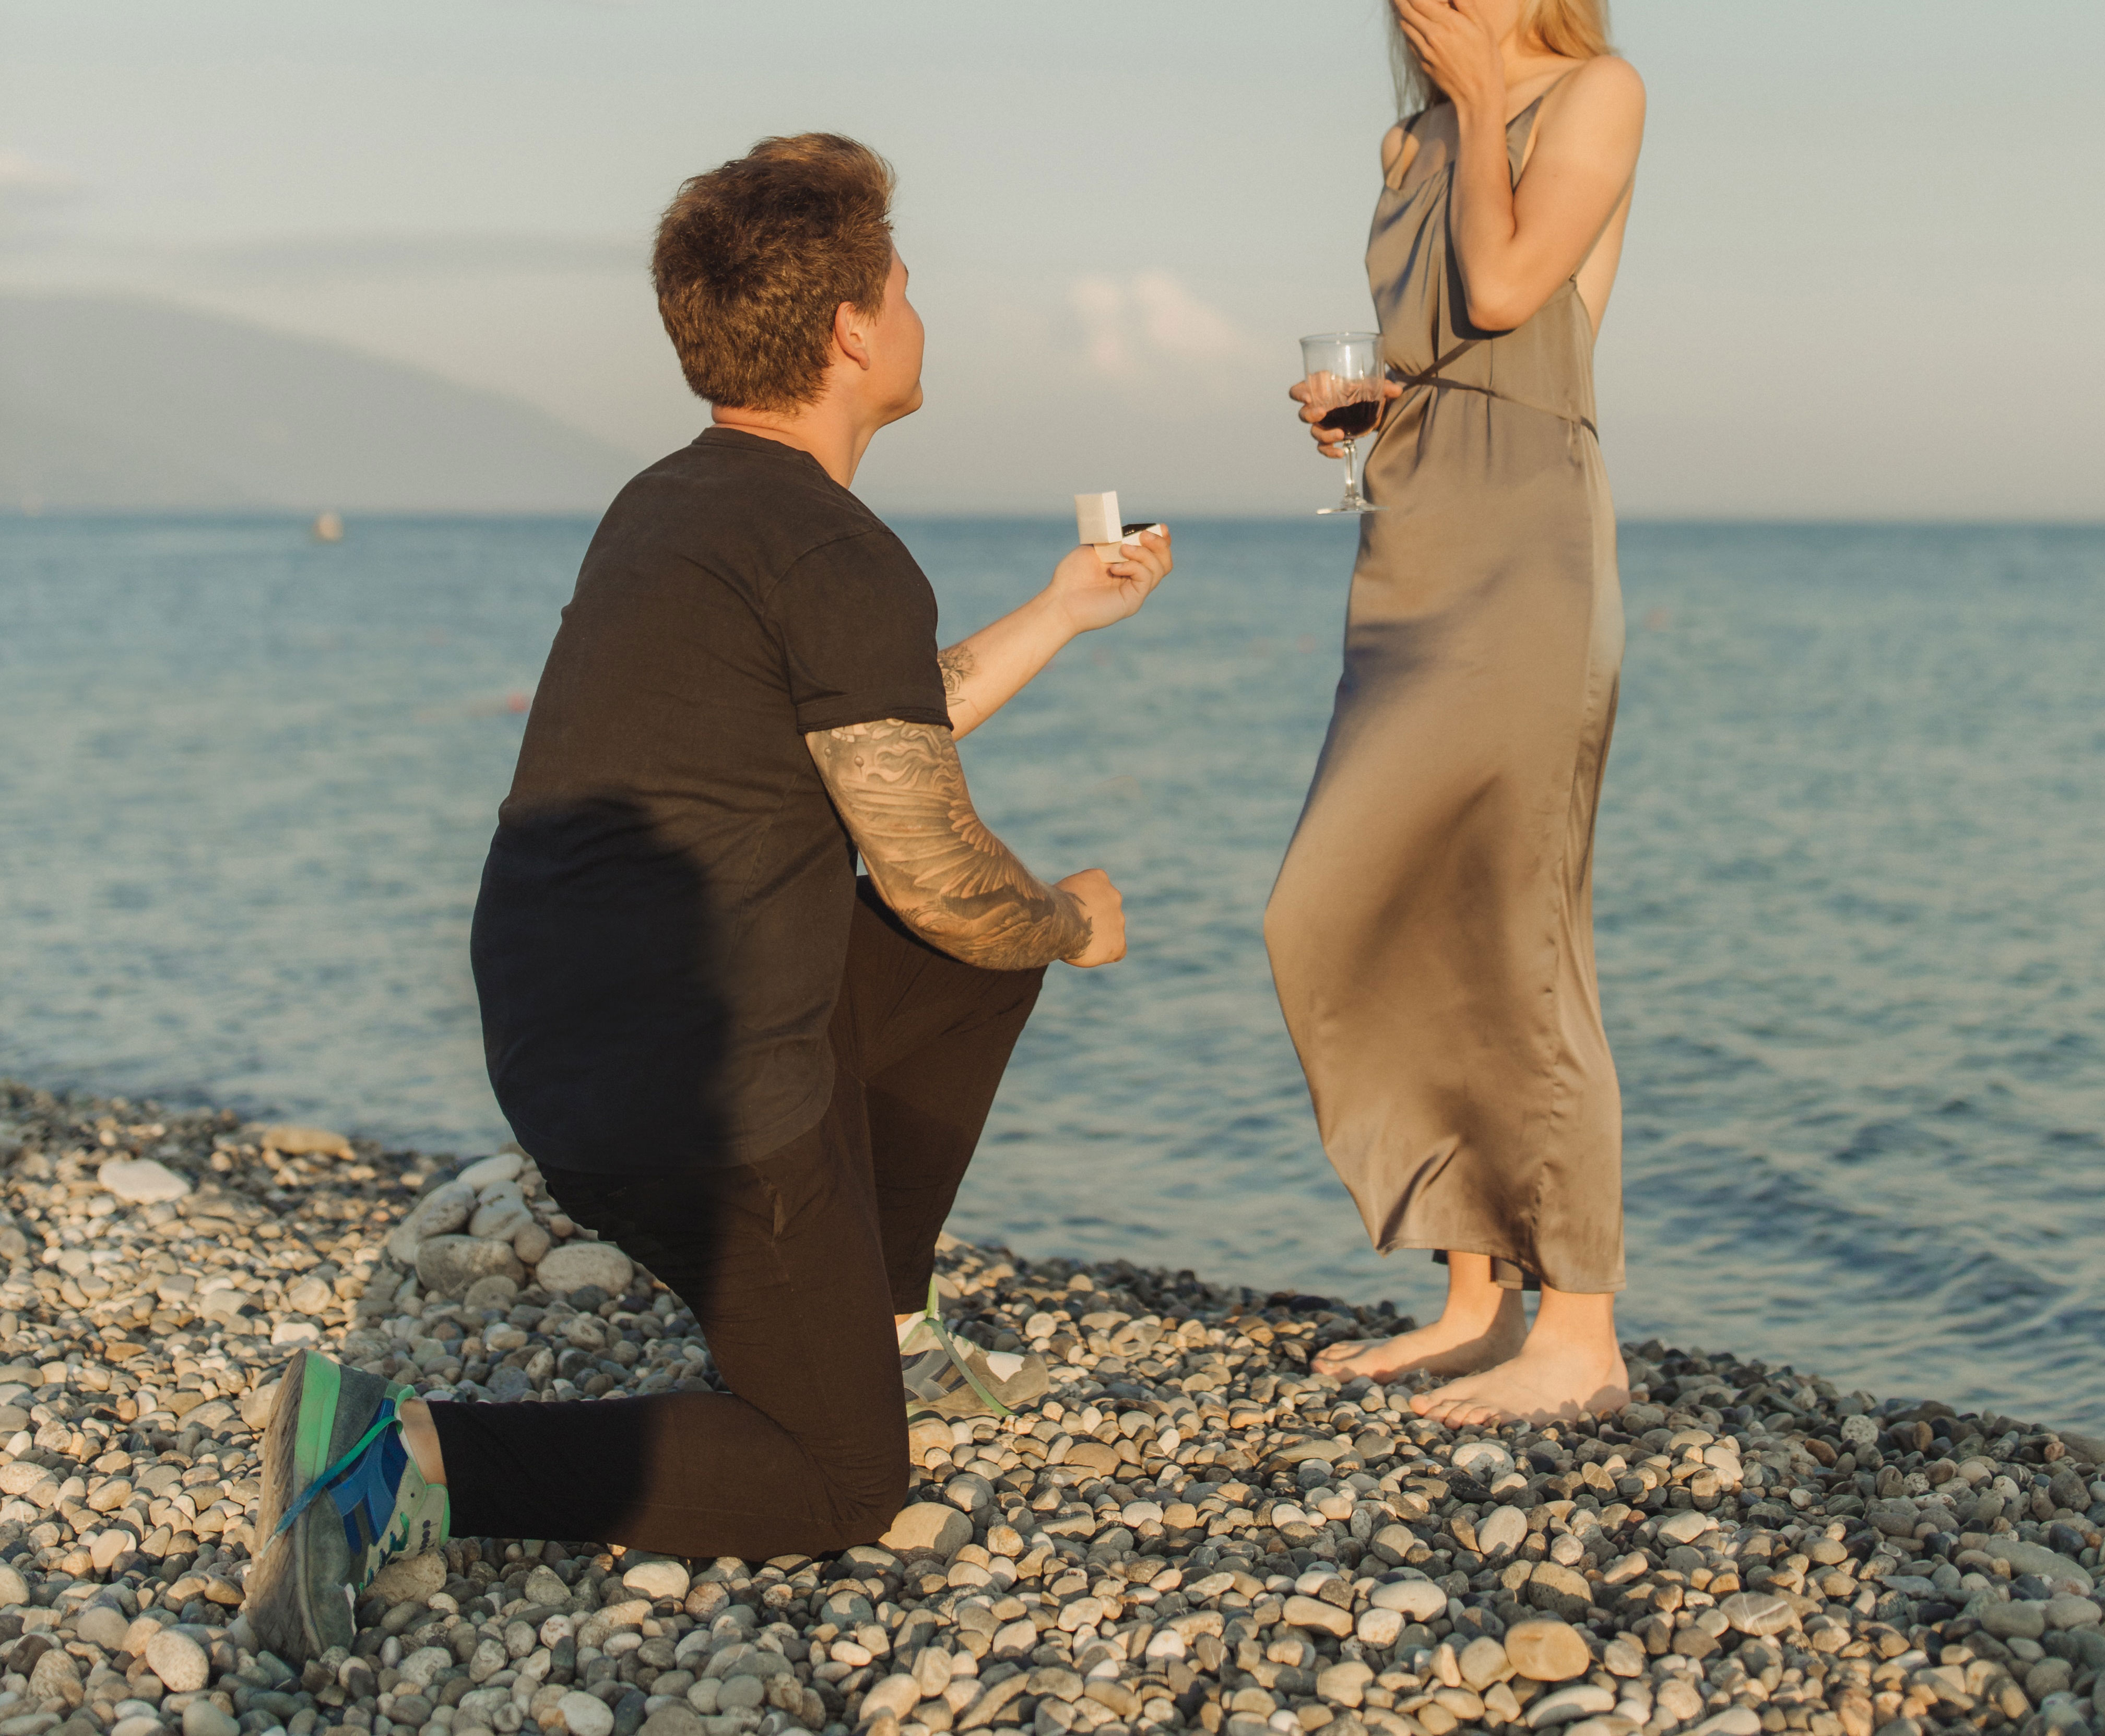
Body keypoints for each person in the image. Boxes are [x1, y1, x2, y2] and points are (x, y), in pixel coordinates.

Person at [244, 132, 1174, 1660]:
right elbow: (937, 873)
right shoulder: (835, 548)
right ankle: (399, 1460)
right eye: (906, 286)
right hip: (699, 1104)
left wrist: (1063, 614)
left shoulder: (674, 505)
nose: (920, 314)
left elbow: (875, 727)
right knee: (842, 1478)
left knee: (974, 960)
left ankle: (880, 1321)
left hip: (567, 1052)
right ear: (854, 330)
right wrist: (1077, 924)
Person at [1263, 0, 1645, 1428]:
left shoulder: (1596, 93)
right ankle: (1476, 1302)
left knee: (1517, 925)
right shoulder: (1407, 138)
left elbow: (1505, 292)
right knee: (1367, 907)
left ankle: (1581, 1329)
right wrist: (1363, 407)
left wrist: (1487, 98)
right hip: (1411, 533)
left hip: (1526, 543)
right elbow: (1436, 353)